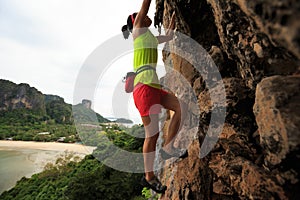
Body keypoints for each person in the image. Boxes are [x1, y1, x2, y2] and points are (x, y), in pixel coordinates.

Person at [121, 0, 187, 194]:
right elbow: (146, 5)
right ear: (136, 21)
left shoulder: (148, 37)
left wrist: (173, 19)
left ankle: (168, 149)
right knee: (152, 134)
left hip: (154, 86)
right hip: (143, 87)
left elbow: (167, 36)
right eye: (140, 15)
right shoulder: (138, 30)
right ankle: (148, 177)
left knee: (181, 107)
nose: (146, 16)